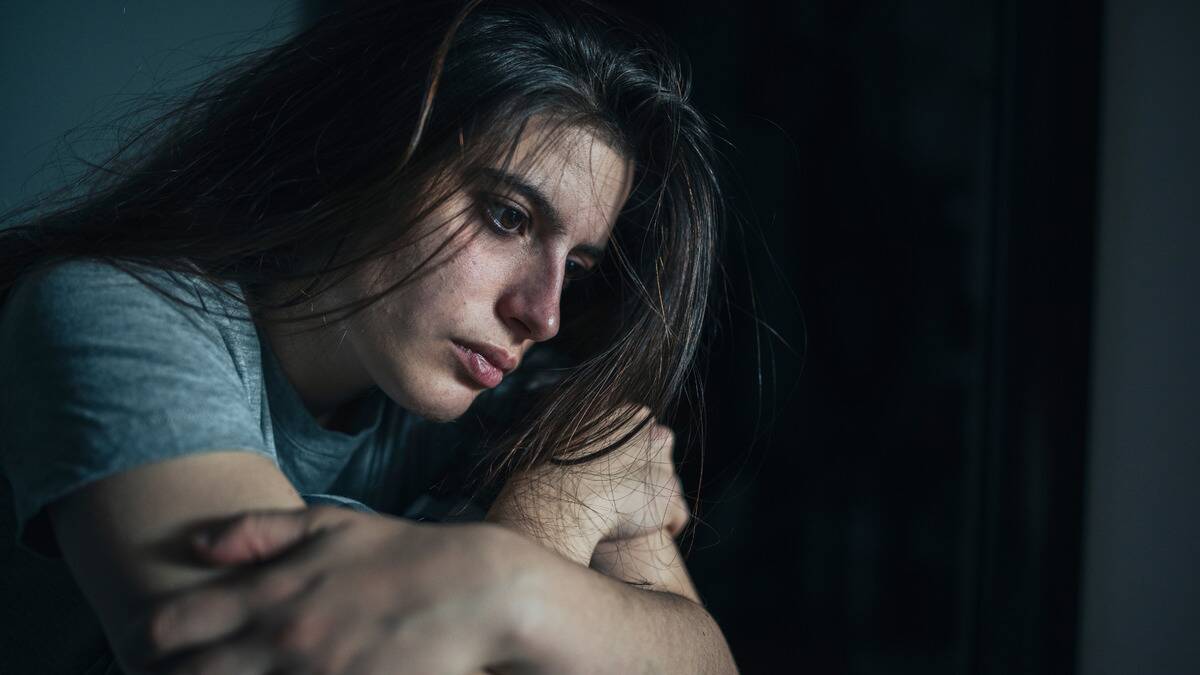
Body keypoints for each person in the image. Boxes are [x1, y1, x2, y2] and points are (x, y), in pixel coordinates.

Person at [0, 0, 735, 672]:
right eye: (508, 217)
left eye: (574, 266)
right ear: (369, 150)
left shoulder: (526, 411)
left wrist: (518, 571)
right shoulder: (112, 315)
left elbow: (707, 662)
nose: (542, 315)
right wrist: (518, 560)